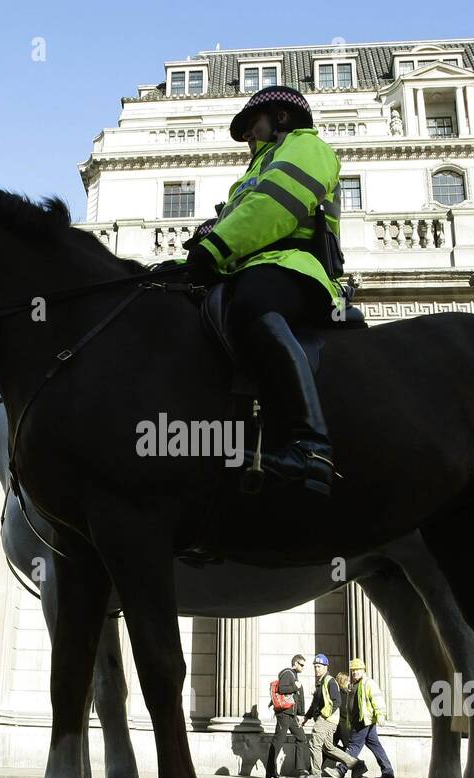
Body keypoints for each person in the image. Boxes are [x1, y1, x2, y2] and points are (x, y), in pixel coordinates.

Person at [181, 85, 345, 497]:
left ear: (282, 118)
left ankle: (312, 447)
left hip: (292, 267)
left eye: (252, 128)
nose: (248, 139)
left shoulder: (308, 147)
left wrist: (214, 248)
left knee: (253, 306)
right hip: (249, 265)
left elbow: (276, 205)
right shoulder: (256, 169)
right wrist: (201, 246)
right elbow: (240, 218)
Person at [301, 654, 367, 778]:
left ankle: (315, 774)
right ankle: (356, 764)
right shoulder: (320, 683)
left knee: (315, 743)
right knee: (328, 748)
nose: (316, 669)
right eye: (315, 666)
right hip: (328, 719)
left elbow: (337, 701)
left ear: (326, 667)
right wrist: (306, 717)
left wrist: (324, 715)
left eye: (319, 666)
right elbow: (315, 703)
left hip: (326, 719)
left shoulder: (330, 681)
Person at [339, 657, 396, 778]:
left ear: (363, 670)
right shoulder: (354, 685)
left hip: (364, 720)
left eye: (357, 670)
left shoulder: (368, 683)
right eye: (353, 670)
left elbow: (377, 699)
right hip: (361, 721)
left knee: (353, 746)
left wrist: (380, 714)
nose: (355, 672)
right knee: (375, 745)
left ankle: (341, 770)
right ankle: (388, 771)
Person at [265, 654, 310, 778]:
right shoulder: (287, 673)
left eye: (303, 665)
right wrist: (296, 686)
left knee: (301, 738)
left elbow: (298, 698)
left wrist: (301, 714)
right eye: (301, 664)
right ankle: (270, 772)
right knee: (278, 742)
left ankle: (301, 769)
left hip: (292, 715)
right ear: (295, 663)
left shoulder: (294, 676)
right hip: (284, 714)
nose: (302, 667)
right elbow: (282, 688)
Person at [333, 671, 353, 750]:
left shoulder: (337, 692)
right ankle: (347, 761)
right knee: (348, 748)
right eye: (347, 680)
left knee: (330, 747)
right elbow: (344, 710)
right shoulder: (343, 694)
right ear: (343, 681)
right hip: (343, 725)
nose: (349, 682)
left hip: (337, 724)